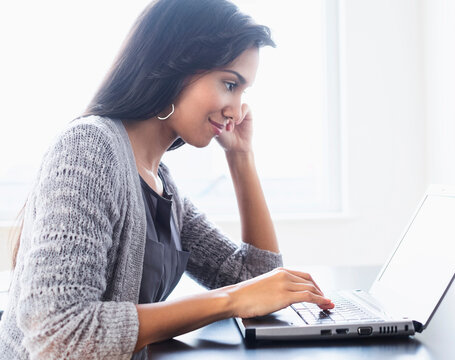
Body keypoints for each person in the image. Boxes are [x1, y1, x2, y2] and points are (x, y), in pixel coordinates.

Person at [0, 0, 334, 359]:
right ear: (176, 66)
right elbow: (60, 335)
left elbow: (257, 280)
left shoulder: (161, 183)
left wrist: (240, 157)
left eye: (243, 92)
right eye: (229, 84)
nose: (237, 110)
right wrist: (230, 301)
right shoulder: (90, 147)